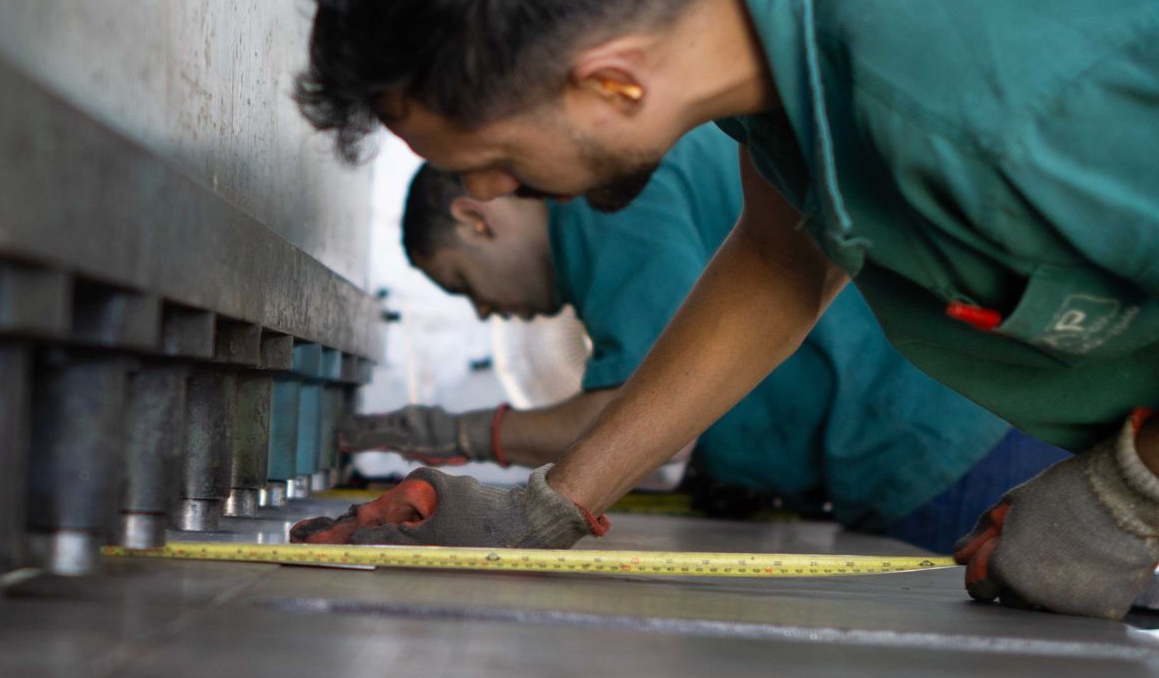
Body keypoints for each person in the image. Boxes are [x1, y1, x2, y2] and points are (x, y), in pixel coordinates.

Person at [291, 0, 1159, 619]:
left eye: (495, 161)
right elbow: (780, 263)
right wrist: (544, 510)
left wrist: (1129, 494)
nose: (481, 193)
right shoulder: (782, 77)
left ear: (612, 83)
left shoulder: (999, 96)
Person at [340, 134, 1063, 553]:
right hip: (944, 436)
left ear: (476, 217)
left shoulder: (598, 204)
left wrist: (464, 432)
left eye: (465, 285)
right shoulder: (627, 191)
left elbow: (627, 409)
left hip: (941, 452)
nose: (491, 311)